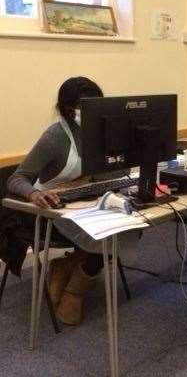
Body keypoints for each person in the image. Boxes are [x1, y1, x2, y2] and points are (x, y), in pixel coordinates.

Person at [6, 77, 136, 326]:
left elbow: (116, 172)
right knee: (109, 236)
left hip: (90, 203)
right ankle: (74, 291)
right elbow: (16, 179)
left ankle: (68, 266)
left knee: (130, 227)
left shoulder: (104, 131)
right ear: (69, 110)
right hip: (55, 211)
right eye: (87, 108)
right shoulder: (56, 137)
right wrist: (34, 194)